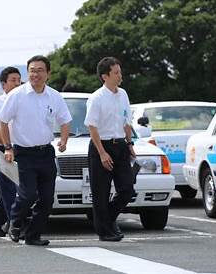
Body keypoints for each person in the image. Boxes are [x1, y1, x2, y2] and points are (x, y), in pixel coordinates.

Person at [0, 55, 71, 246]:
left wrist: (63, 140)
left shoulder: (54, 96)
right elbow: (2, 120)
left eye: (39, 70)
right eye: (32, 70)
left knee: (47, 199)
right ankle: (14, 220)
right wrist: (7, 147)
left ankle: (33, 235)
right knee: (28, 194)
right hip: (24, 153)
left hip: (46, 152)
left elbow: (65, 120)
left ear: (48, 73)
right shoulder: (17, 95)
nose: (35, 74)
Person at [84, 56, 136, 242]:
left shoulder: (123, 94)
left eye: (120, 72)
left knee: (127, 189)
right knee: (101, 192)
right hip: (101, 146)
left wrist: (130, 144)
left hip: (120, 145)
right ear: (105, 76)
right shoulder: (96, 98)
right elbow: (92, 126)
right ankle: (104, 231)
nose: (120, 76)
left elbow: (126, 122)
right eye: (116, 73)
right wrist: (102, 152)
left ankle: (107, 220)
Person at [0, 67, 22, 236]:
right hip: (2, 149)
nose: (17, 83)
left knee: (19, 187)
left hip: (20, 148)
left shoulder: (24, 100)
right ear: (3, 84)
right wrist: (8, 145)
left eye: (18, 80)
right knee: (8, 188)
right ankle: (15, 224)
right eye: (13, 80)